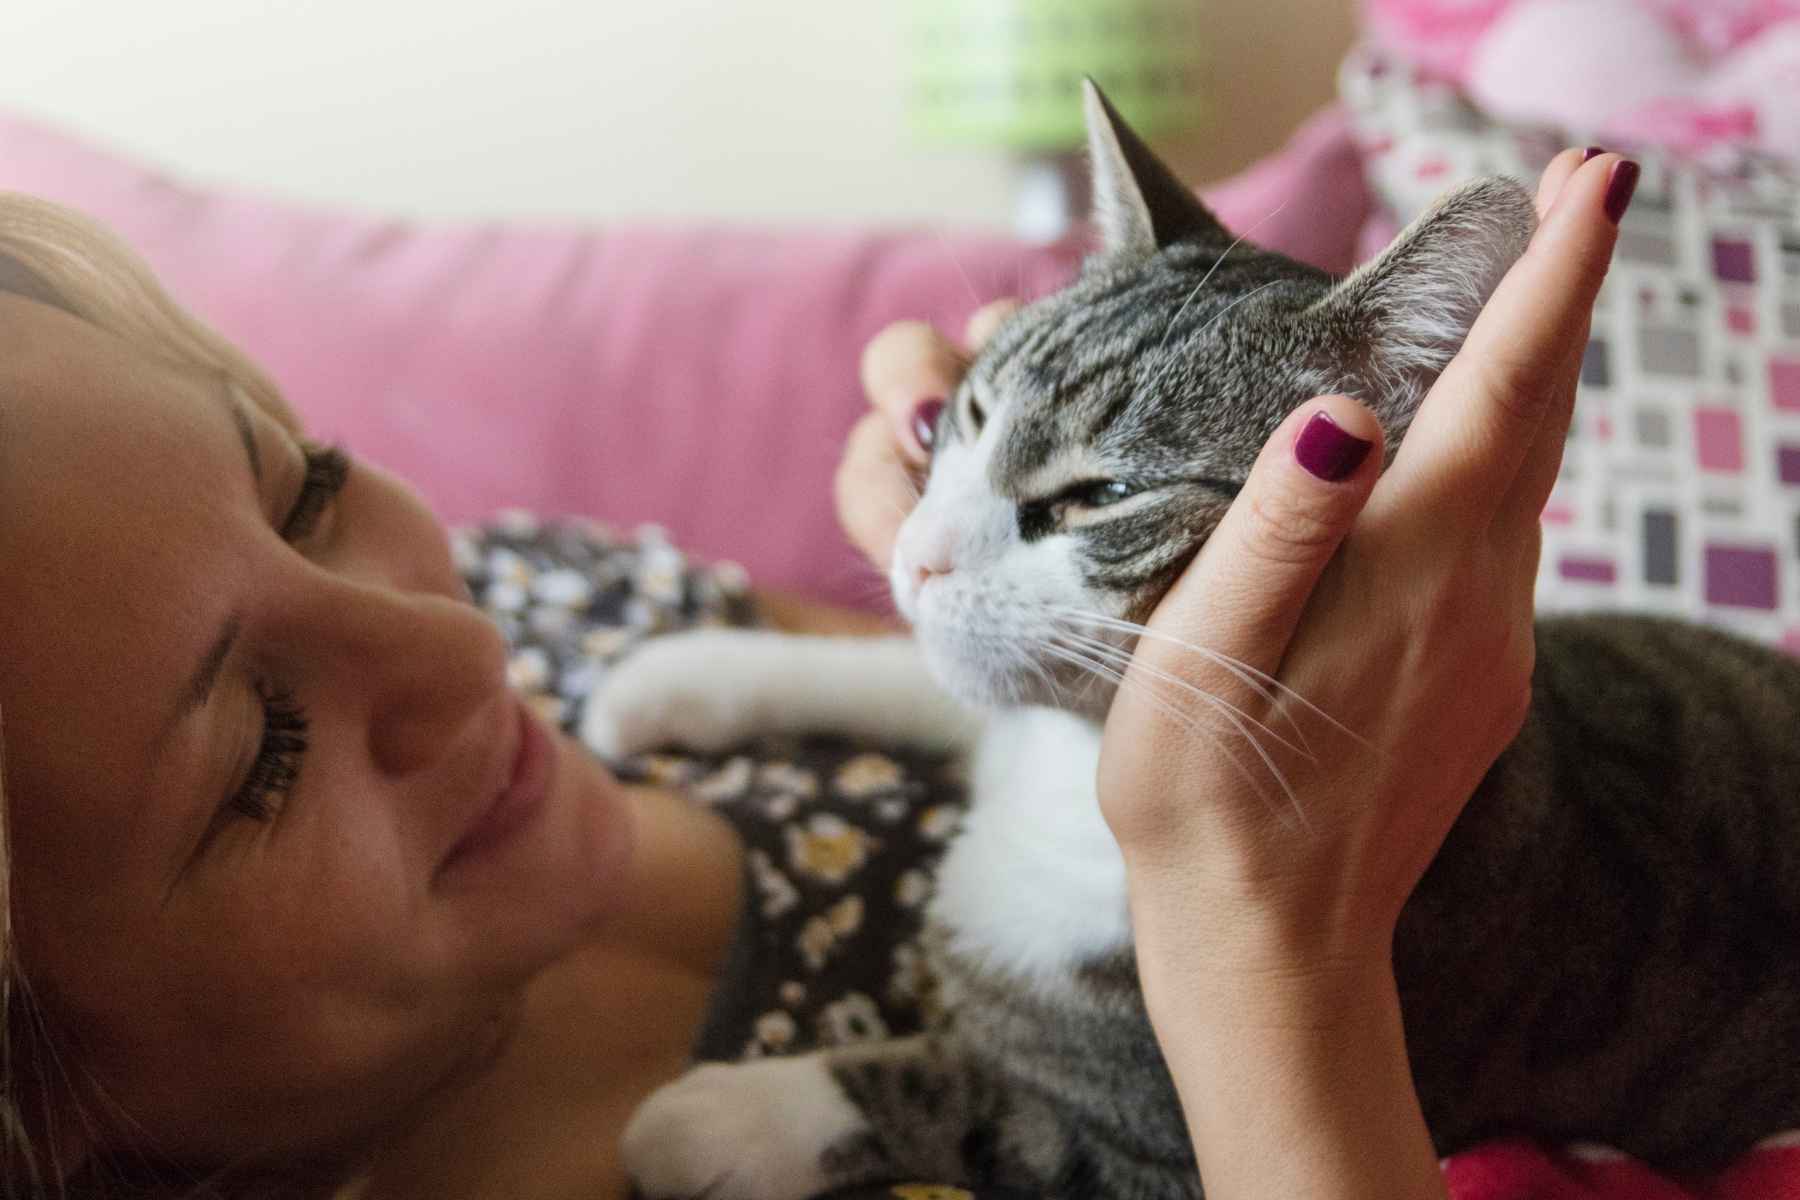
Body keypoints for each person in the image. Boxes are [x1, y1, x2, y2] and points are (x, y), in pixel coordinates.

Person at [0, 141, 1628, 1200]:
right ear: (61, 1124)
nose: (455, 642)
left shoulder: (547, 588)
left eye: (314, 488)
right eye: (261, 753)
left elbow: (1034, 675)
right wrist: (1277, 952)